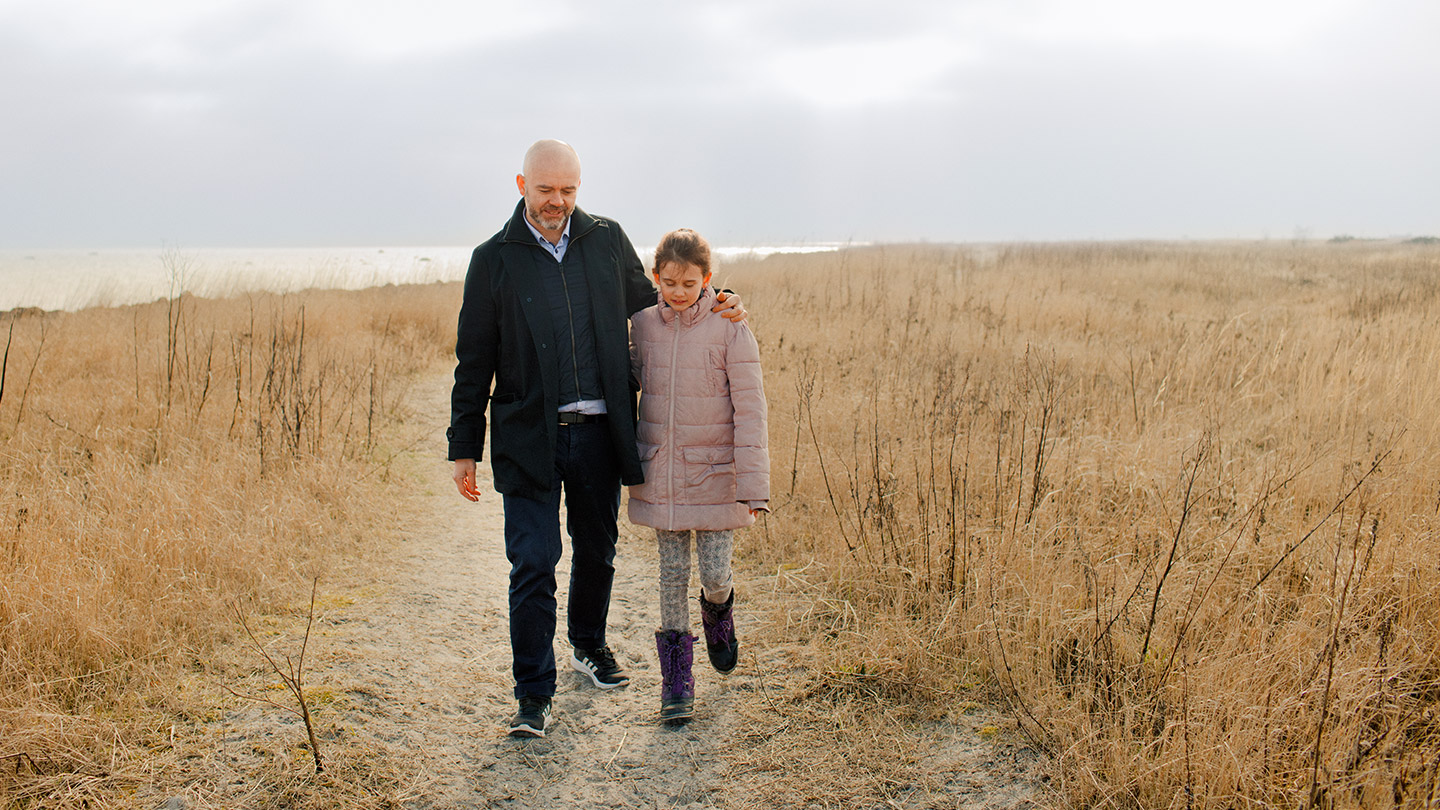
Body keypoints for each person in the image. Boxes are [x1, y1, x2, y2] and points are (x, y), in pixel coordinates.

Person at [449, 140, 745, 738]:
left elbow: (660, 302)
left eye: (568, 190)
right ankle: (533, 693)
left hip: (598, 434)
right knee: (533, 563)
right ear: (521, 185)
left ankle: (588, 646)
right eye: (545, 190)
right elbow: (473, 359)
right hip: (526, 436)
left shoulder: (606, 240)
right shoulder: (493, 260)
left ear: (578, 189)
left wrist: (722, 301)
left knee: (597, 551)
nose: (557, 201)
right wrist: (463, 447)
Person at [627, 228, 769, 724]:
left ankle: (720, 612)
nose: (680, 291)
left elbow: (751, 409)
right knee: (670, 574)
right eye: (670, 282)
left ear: (707, 279)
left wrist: (753, 484)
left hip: (715, 474)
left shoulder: (730, 326)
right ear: (656, 278)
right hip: (662, 473)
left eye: (690, 282)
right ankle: (676, 681)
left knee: (712, 572)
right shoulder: (642, 326)